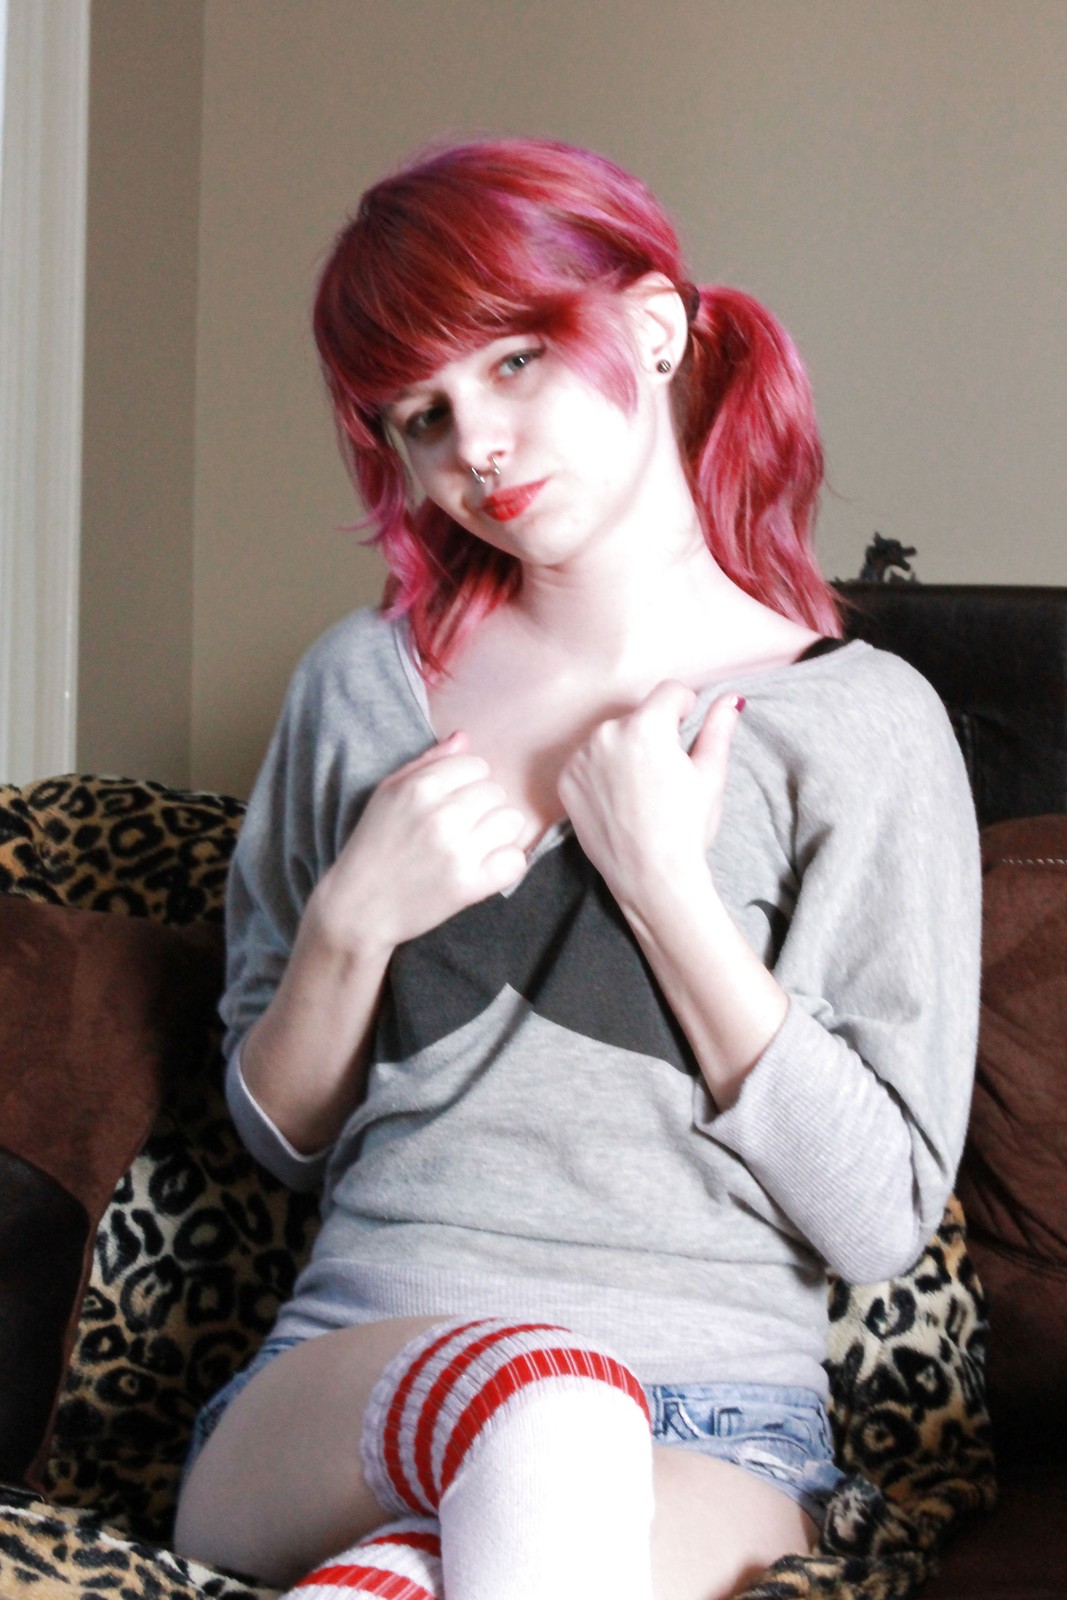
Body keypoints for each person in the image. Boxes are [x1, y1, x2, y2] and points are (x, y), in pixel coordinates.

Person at [173, 137, 980, 1600]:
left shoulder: (862, 726)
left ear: (654, 327)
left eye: (515, 361)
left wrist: (671, 897)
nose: (473, 446)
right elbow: (277, 1140)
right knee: (535, 1421)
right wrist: (350, 922)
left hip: (708, 1432)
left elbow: (876, 1217)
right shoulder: (356, 688)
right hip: (353, 1390)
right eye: (421, 415)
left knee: (529, 1481)